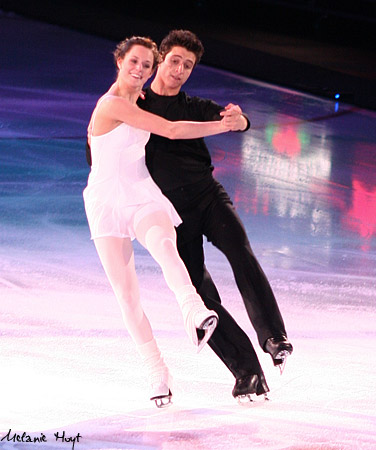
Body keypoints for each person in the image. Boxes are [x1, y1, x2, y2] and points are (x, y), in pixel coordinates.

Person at [137, 30, 294, 401]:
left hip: (209, 199)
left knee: (241, 252)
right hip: (171, 215)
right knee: (200, 297)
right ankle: (247, 373)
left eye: (187, 66)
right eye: (174, 61)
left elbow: (236, 121)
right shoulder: (136, 105)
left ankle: (274, 337)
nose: (179, 70)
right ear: (161, 59)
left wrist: (238, 119)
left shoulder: (194, 107)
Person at [83, 36, 235, 408]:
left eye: (146, 66)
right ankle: (157, 370)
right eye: (133, 62)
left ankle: (194, 311)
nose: (139, 70)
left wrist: (224, 113)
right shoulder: (112, 103)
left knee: (166, 247)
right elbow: (170, 129)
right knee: (127, 295)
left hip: (141, 192)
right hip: (106, 201)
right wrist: (223, 126)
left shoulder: (142, 99)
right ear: (119, 61)